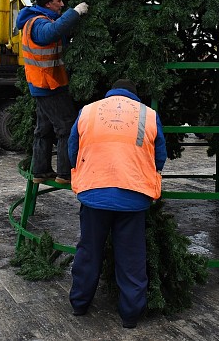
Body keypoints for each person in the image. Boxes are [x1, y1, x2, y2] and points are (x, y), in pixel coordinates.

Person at [67, 79, 167, 329]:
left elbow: (72, 149)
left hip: (94, 191)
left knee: (89, 250)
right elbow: (160, 157)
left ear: (110, 94)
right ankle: (130, 316)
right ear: (134, 96)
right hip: (133, 194)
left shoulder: (88, 111)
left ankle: (80, 304)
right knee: (131, 256)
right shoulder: (148, 114)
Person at [16, 0, 89, 184]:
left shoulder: (39, 19)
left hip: (43, 84)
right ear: (47, 2)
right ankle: (65, 174)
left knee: (44, 128)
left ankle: (41, 171)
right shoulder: (37, 23)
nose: (62, 4)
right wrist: (74, 12)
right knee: (66, 126)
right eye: (58, 1)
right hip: (49, 84)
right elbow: (51, 33)